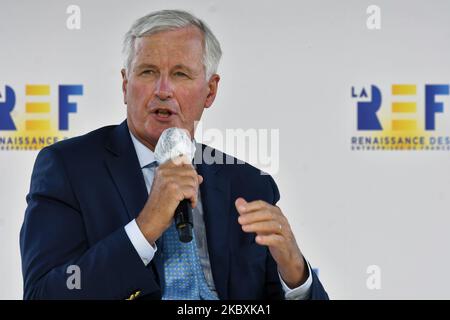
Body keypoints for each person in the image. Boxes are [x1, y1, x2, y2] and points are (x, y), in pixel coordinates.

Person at [20, 9, 328, 300]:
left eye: (180, 74)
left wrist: (296, 274)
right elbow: (44, 294)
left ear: (210, 91)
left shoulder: (248, 184)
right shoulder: (69, 168)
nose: (163, 89)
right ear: (125, 84)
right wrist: (144, 229)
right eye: (148, 72)